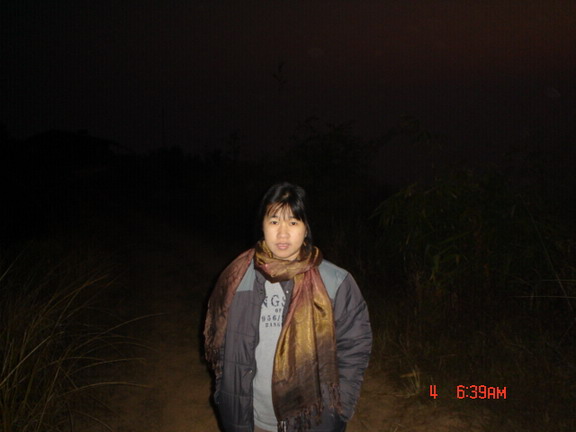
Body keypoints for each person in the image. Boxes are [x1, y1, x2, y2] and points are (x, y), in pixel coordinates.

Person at [204, 182, 372, 432]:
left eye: (293, 222)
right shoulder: (236, 278)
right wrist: (224, 391)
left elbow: (355, 348)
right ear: (262, 225)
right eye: (274, 221)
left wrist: (339, 409)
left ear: (306, 229)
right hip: (249, 418)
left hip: (312, 421)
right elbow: (219, 341)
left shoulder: (336, 283)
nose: (282, 234)